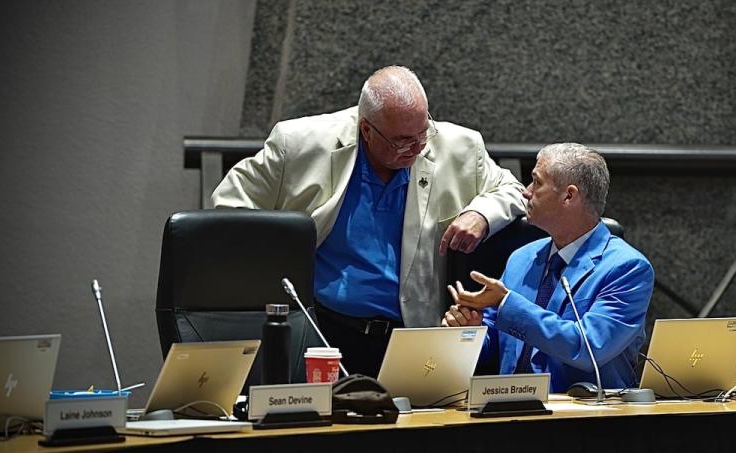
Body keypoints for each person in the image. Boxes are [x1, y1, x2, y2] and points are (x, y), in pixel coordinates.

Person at [212, 66, 525, 376]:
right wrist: (277, 269)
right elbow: (231, 205)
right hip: (324, 331)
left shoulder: (460, 147)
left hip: (412, 332)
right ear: (366, 130)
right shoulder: (299, 144)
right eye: (403, 141)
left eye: (423, 132)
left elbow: (513, 191)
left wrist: (481, 213)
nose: (418, 149)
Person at [442, 143, 653, 393]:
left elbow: (588, 348)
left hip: (585, 420)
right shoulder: (521, 258)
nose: (526, 192)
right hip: (506, 409)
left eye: (536, 182)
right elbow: (492, 343)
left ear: (569, 196)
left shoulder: (627, 268)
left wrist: (507, 303)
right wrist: (469, 331)